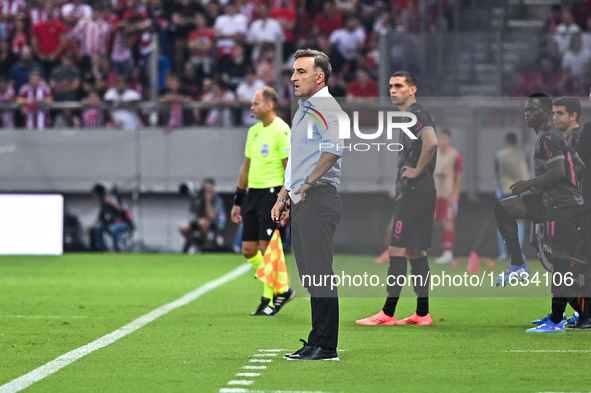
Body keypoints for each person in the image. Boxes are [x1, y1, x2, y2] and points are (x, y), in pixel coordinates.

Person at [271, 48, 344, 361]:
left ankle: (326, 346)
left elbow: (333, 151)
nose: (293, 78)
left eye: (301, 72)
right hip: (303, 199)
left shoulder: (328, 108)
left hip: (319, 197)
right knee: (311, 275)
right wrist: (284, 195)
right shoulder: (304, 109)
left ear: (320, 76)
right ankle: (316, 340)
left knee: (320, 273)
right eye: (293, 71)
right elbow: (296, 159)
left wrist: (308, 183)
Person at [494, 93, 584, 333]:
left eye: (532, 109)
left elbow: (559, 171)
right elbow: (578, 166)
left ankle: (556, 321)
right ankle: (518, 265)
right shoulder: (554, 137)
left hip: (562, 206)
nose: (527, 113)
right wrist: (544, 185)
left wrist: (530, 183)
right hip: (551, 200)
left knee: (561, 262)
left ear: (545, 113)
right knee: (503, 207)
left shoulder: (548, 138)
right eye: (525, 109)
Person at [356, 71, 438, 327]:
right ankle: (422, 313)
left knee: (397, 250)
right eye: (391, 86)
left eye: (399, 86)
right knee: (416, 252)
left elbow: (432, 142)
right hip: (421, 192)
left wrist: (416, 171)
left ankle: (387, 313)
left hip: (415, 193)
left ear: (412, 89)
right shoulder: (411, 116)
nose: (393, 90)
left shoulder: (415, 115)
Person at [231, 86, 294, 316]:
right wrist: (238, 199)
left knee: (267, 248)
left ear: (270, 105)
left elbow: (289, 168)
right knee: (248, 250)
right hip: (253, 195)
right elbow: (246, 167)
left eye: (256, 103)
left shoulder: (281, 130)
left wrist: (286, 202)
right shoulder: (254, 132)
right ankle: (282, 288)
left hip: (272, 193)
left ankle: (268, 300)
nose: (252, 107)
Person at [494, 132, 529, 261]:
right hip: (521, 191)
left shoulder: (499, 155)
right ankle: (518, 252)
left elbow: (497, 172)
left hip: (505, 190)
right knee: (520, 221)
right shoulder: (522, 154)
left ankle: (504, 253)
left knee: (503, 221)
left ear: (506, 141)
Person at [433, 128, 462, 264]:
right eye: (441, 138)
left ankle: (449, 252)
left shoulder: (455, 155)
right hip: (436, 194)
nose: (442, 140)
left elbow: (458, 175)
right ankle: (445, 248)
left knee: (447, 222)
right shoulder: (434, 154)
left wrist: (454, 192)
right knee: (439, 222)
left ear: (449, 139)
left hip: (448, 194)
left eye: (445, 138)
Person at [179, 178, 227, 254]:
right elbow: (192, 211)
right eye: (206, 188)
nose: (207, 190)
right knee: (183, 227)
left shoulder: (217, 199)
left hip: (214, 223)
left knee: (203, 223)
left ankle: (206, 244)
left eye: (209, 188)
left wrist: (208, 201)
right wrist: (193, 199)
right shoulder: (200, 198)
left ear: (213, 188)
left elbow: (212, 216)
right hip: (200, 221)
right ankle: (195, 245)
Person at [88, 183, 134, 252]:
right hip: (113, 223)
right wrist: (92, 226)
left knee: (113, 229)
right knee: (98, 229)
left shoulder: (116, 199)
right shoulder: (103, 202)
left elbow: (121, 209)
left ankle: (116, 248)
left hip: (126, 223)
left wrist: (111, 202)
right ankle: (100, 249)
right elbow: (100, 217)